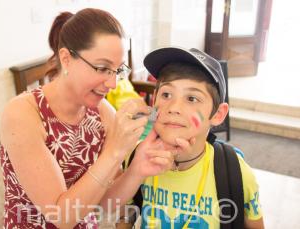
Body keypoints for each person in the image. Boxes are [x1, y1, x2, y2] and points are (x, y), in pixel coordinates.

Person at [0, 9, 176, 229]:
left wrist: (139, 167)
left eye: (116, 70)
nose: (112, 84)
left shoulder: (102, 113)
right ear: (66, 58)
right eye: (102, 68)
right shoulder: (22, 114)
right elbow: (62, 218)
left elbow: (102, 205)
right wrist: (114, 150)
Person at [108, 47, 265, 228]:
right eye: (166, 94)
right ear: (153, 103)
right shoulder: (137, 157)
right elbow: (125, 215)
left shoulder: (236, 172)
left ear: (218, 114)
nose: (174, 107)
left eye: (191, 98)